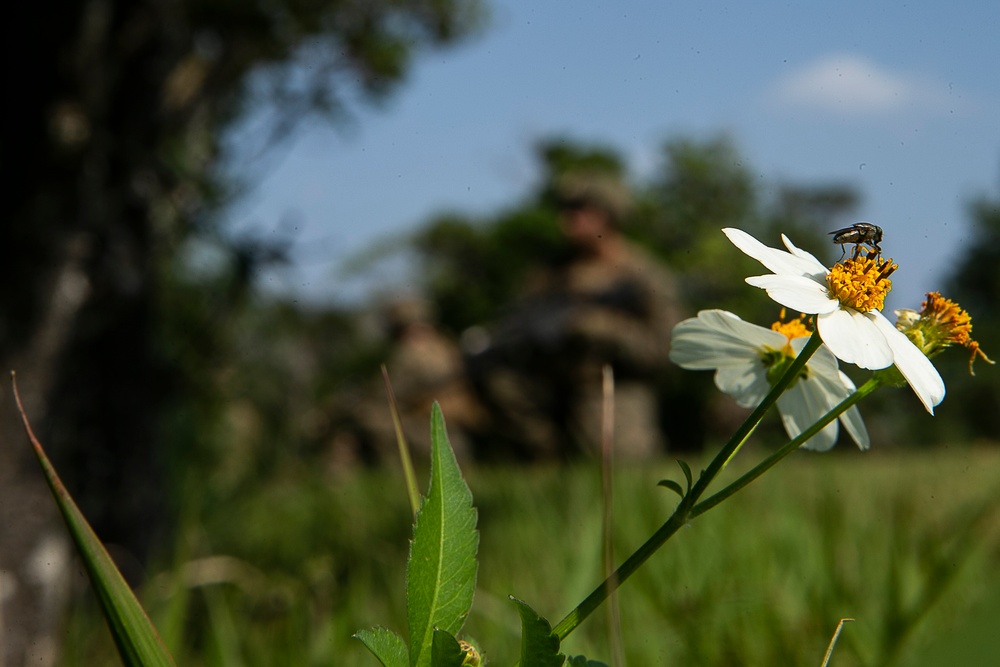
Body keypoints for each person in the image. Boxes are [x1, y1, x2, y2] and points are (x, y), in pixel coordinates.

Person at [469, 171, 684, 460]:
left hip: (612, 385)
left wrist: (601, 328)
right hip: (549, 384)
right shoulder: (547, 273)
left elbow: (670, 345)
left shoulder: (642, 274)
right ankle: (542, 458)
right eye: (566, 211)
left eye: (581, 210)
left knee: (616, 462)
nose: (569, 220)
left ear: (609, 215)